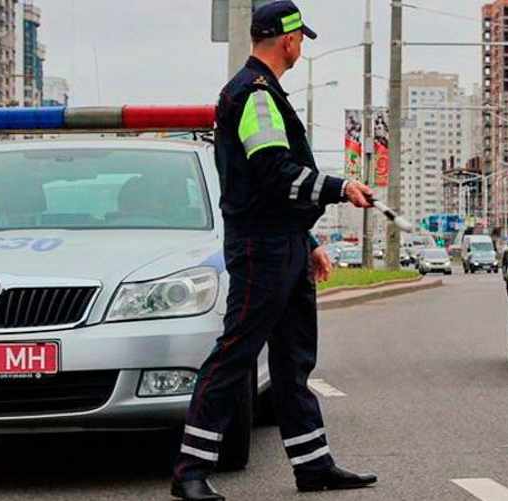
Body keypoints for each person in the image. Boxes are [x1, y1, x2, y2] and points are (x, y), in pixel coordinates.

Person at [170, 2, 377, 499]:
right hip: (261, 250)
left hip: (281, 246)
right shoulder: (256, 96)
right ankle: (190, 472)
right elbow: (274, 174)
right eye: (300, 38)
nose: (301, 46)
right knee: (235, 355)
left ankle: (313, 465)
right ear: (287, 41)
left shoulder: (263, 93)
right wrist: (341, 186)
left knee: (292, 359)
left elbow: (271, 188)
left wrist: (306, 243)